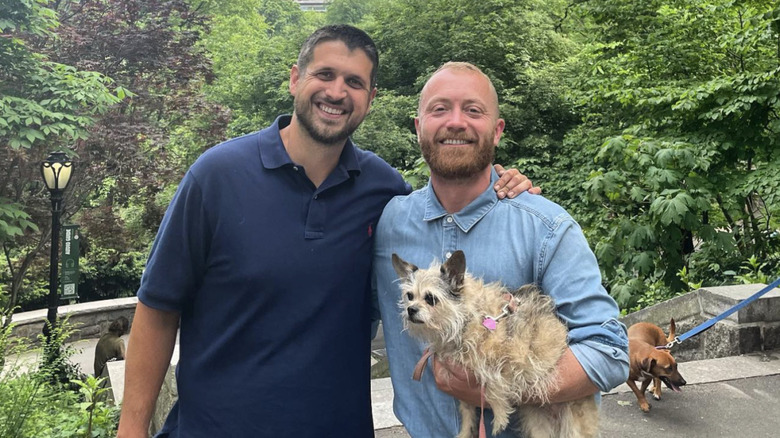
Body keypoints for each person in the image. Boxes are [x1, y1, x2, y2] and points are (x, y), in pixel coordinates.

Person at [117, 26, 534, 438]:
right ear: (296, 78)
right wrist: (131, 429)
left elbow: (445, 209)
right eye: (324, 74)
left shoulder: (383, 191)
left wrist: (499, 182)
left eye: (354, 82)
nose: (336, 93)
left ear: (370, 100)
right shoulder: (216, 177)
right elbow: (157, 308)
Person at [373, 62, 630, 437]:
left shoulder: (545, 228)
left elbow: (608, 352)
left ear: (497, 132)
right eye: (440, 109)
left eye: (473, 110)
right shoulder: (388, 223)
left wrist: (497, 386)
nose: (456, 122)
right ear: (419, 127)